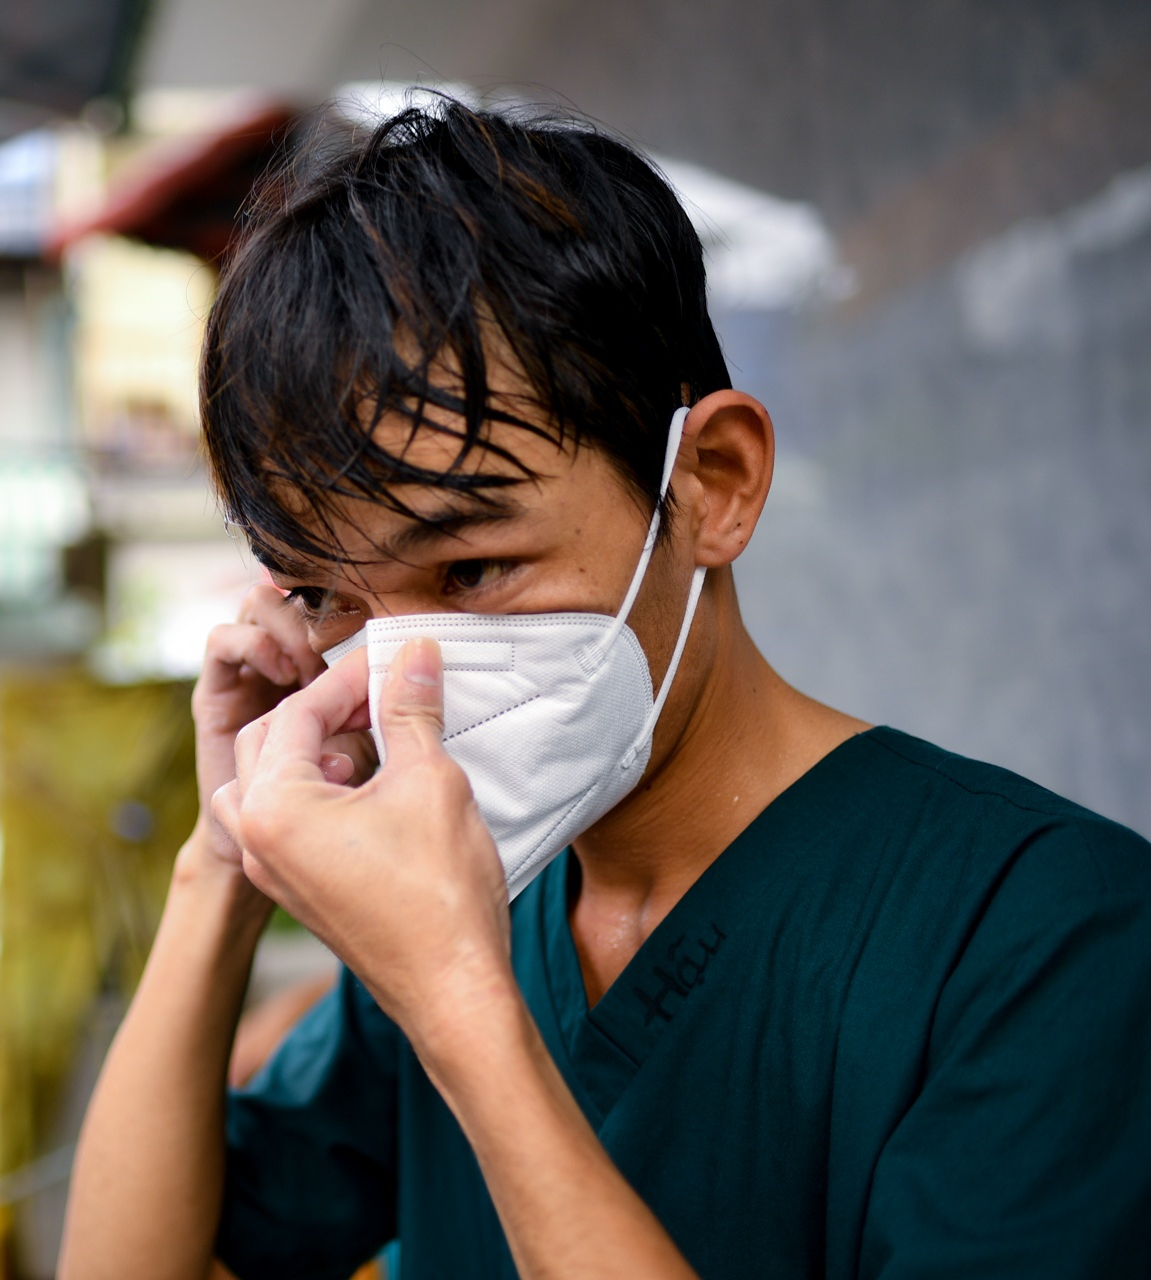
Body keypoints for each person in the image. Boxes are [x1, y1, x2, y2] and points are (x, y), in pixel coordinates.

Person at [59, 99, 1151, 1279]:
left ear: (713, 483)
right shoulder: (465, 887)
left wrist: (462, 1005)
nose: (401, 665)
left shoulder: (1044, 936)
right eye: (329, 595)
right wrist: (223, 858)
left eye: (474, 568)